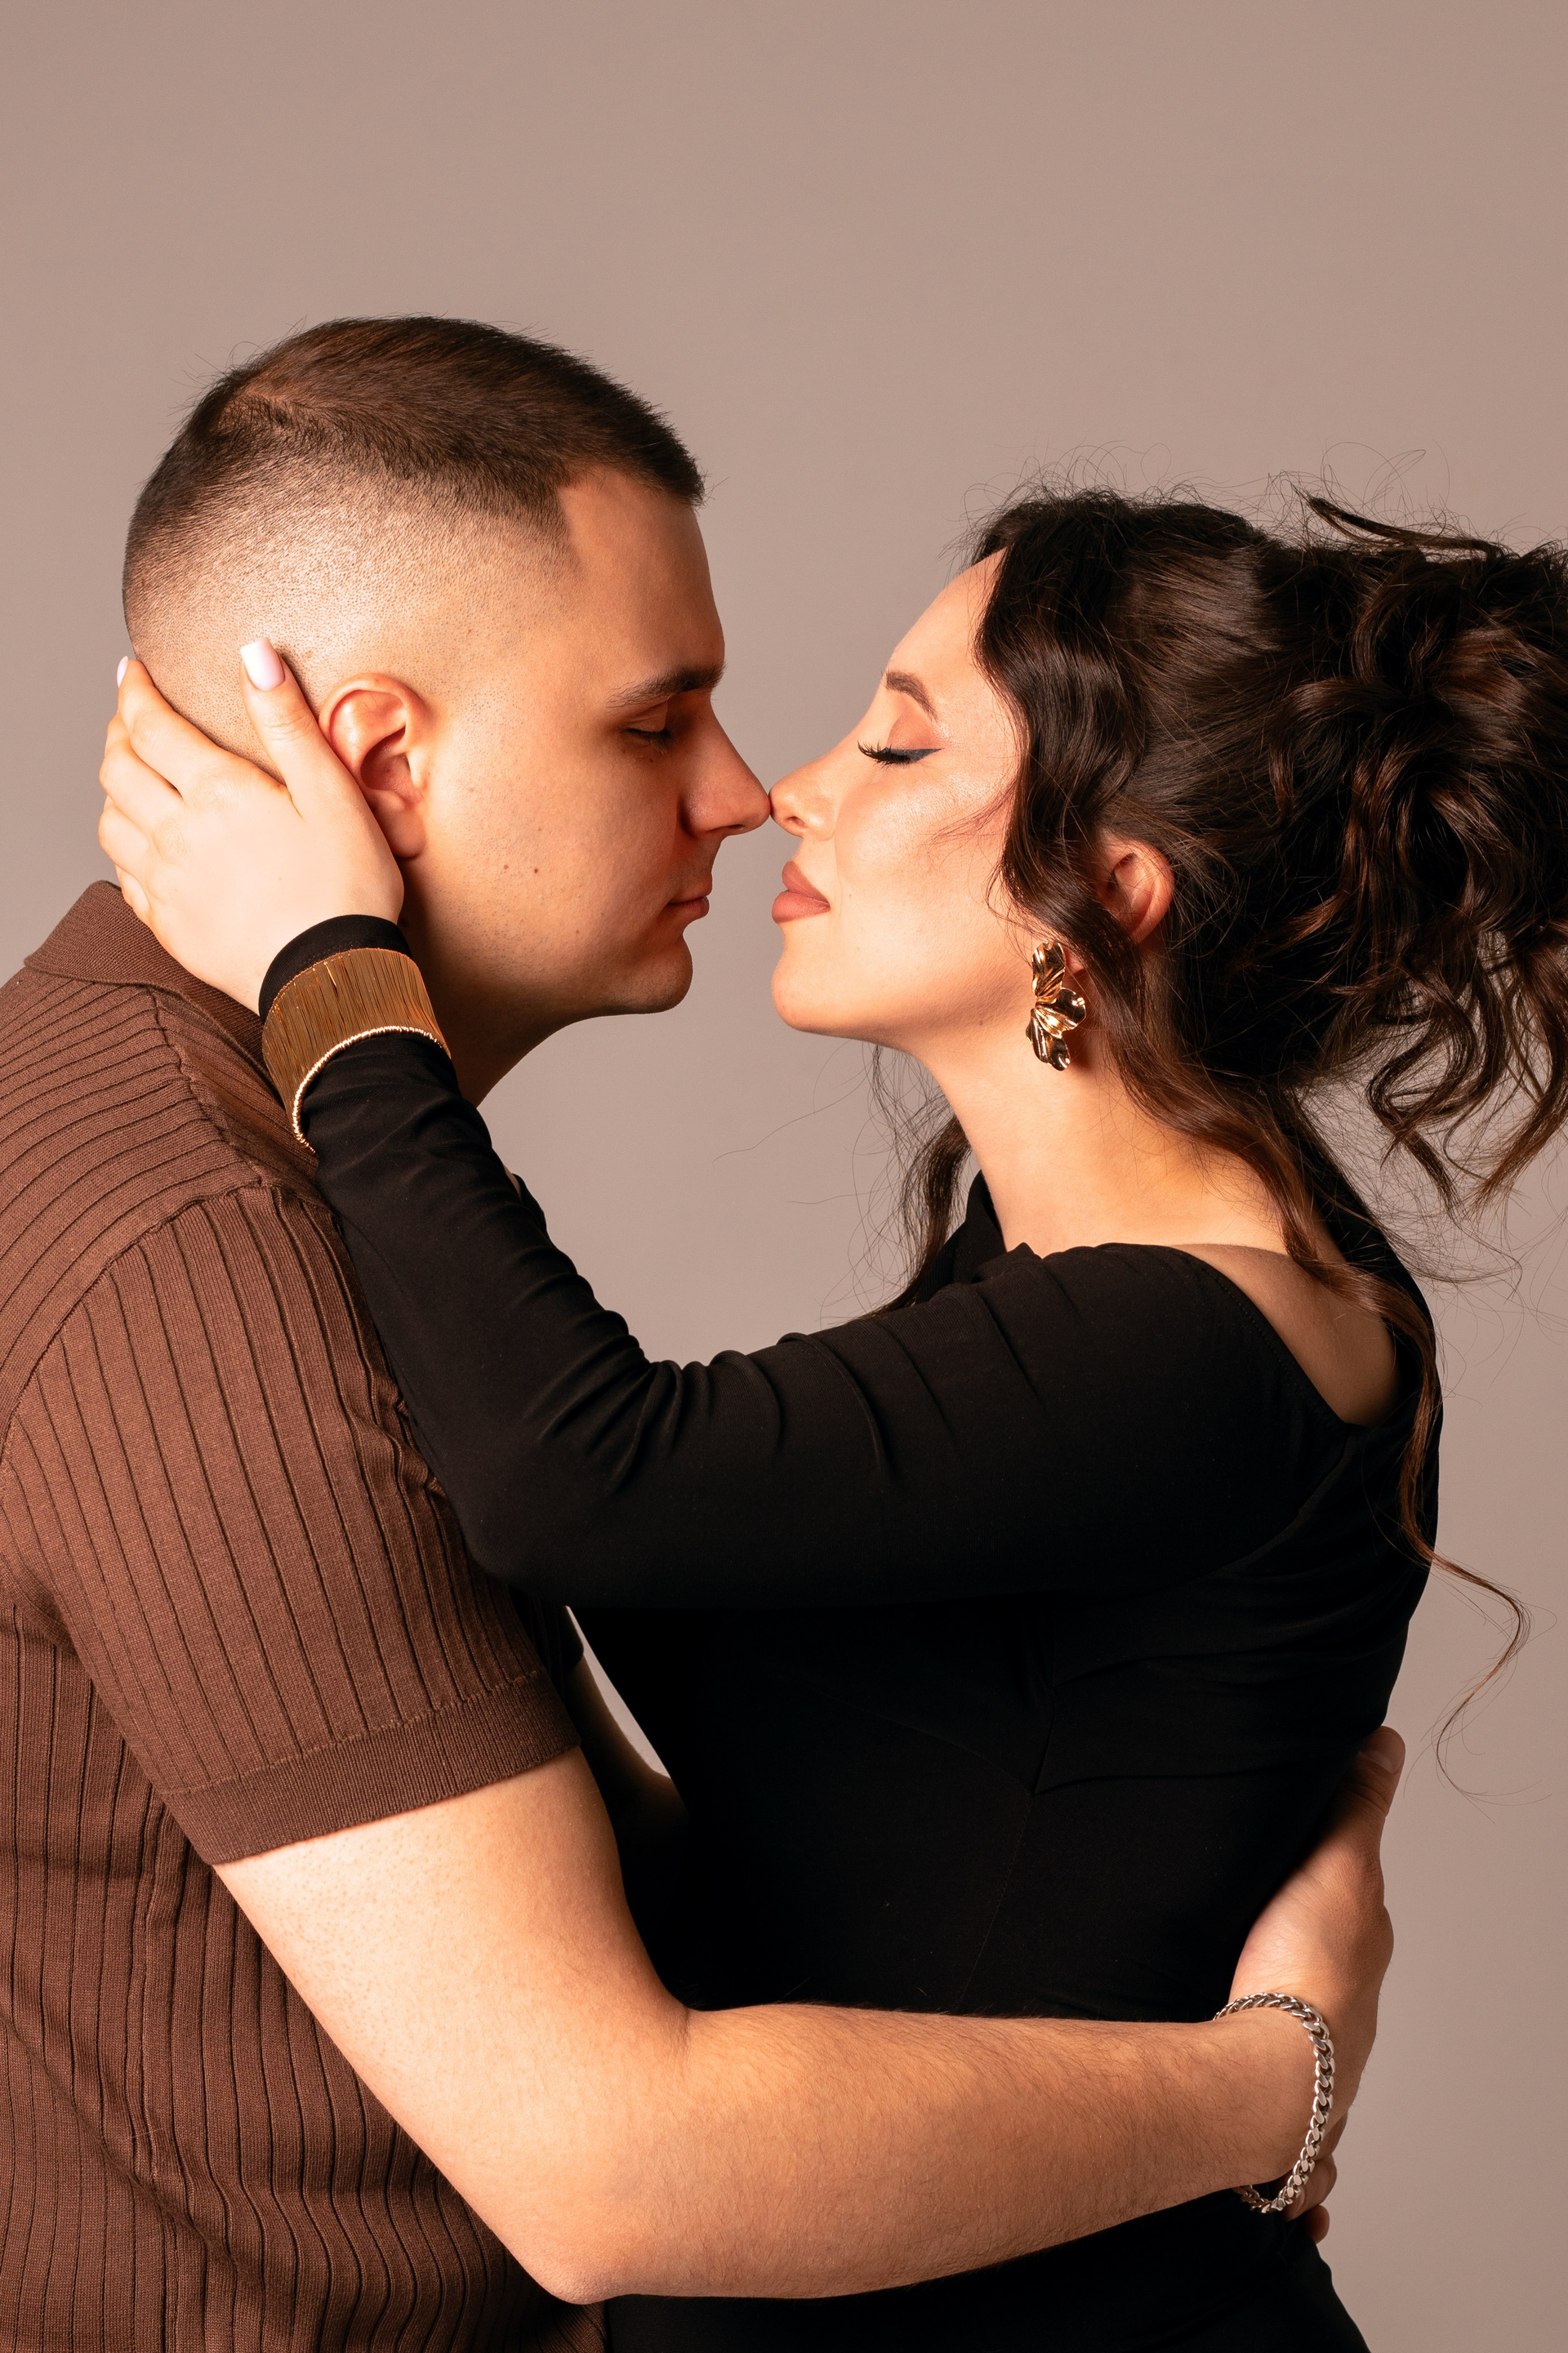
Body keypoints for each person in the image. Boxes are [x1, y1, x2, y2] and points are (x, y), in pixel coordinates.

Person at [105, 408, 1568, 2347]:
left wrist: (328, 964)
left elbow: (579, 1480)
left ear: (1110, 891)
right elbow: (816, 1787)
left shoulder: (1212, 1341)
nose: (791, 790)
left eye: (896, 745)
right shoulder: (1075, 1281)